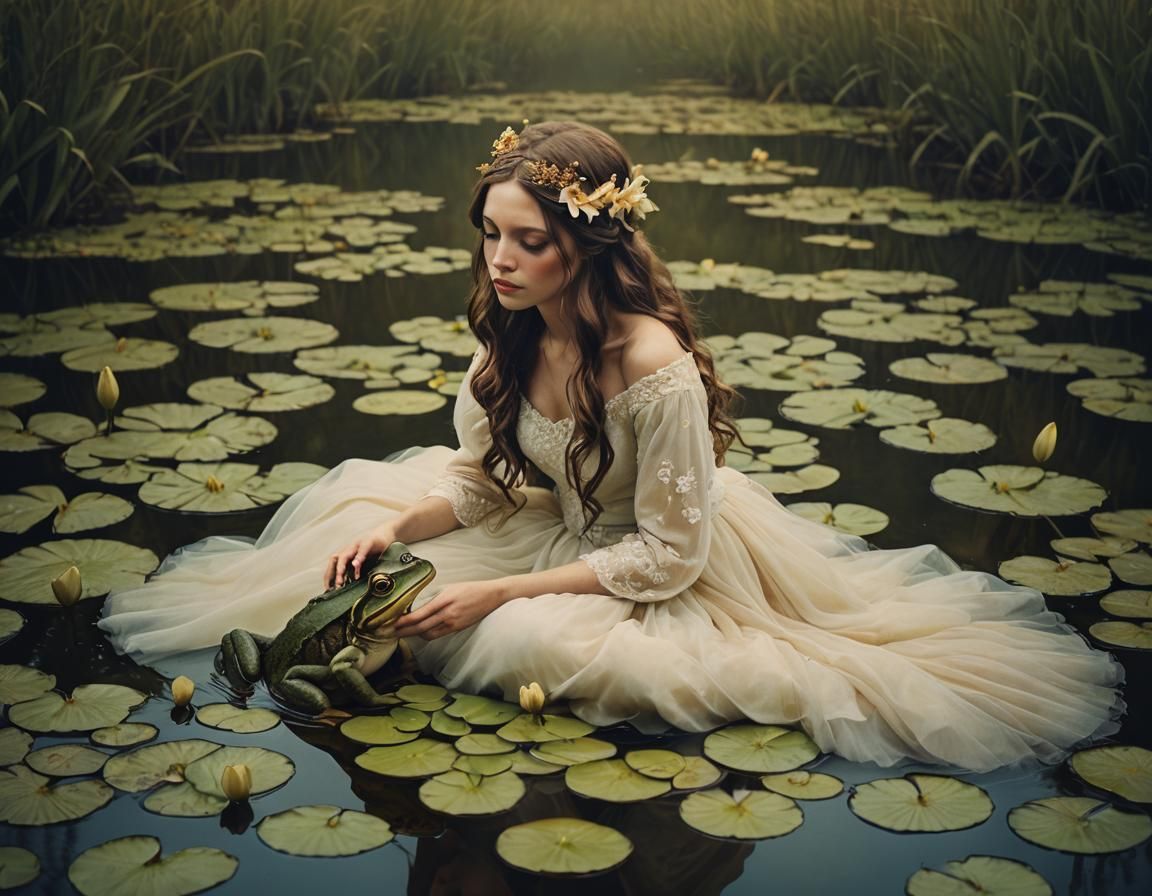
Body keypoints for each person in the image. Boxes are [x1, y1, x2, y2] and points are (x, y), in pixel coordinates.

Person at [101, 121, 1123, 772]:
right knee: (353, 549)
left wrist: (498, 594)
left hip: (659, 559)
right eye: (490, 233)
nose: (500, 260)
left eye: (527, 240)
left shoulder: (651, 362)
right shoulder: (509, 326)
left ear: (586, 242)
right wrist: (396, 522)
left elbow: (665, 553)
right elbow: (491, 482)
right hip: (546, 525)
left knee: (519, 641)